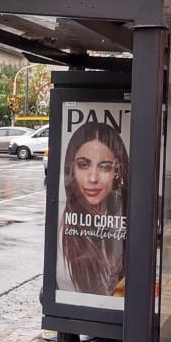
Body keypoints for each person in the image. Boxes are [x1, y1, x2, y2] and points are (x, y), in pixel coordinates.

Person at [58, 120, 130, 296]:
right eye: (83, 165)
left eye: (104, 167)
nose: (92, 178)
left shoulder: (129, 216)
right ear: (72, 168)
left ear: (117, 172)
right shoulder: (60, 225)